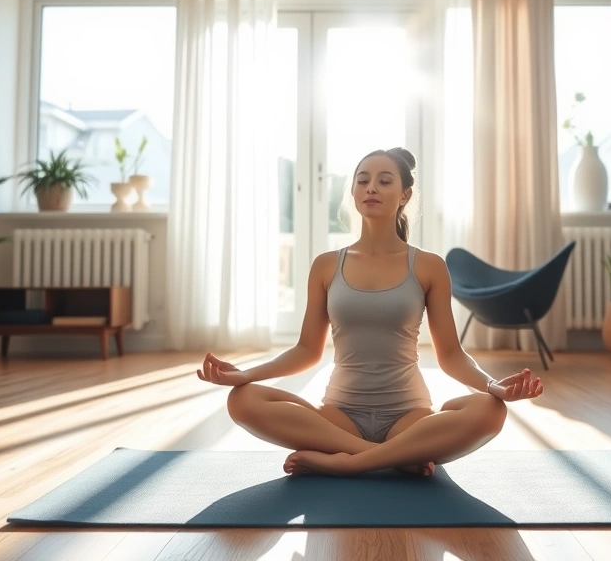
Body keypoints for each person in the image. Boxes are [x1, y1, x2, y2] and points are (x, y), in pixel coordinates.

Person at [198, 147, 543, 477]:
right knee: (242, 400)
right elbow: (306, 351)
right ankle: (390, 459)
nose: (371, 187)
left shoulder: (428, 266)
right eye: (362, 180)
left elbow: (451, 354)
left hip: (409, 419)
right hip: (339, 418)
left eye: (384, 180)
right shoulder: (326, 265)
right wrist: (246, 375)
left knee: (490, 410)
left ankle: (346, 464)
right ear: (353, 191)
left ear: (405, 195)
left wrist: (492, 385)